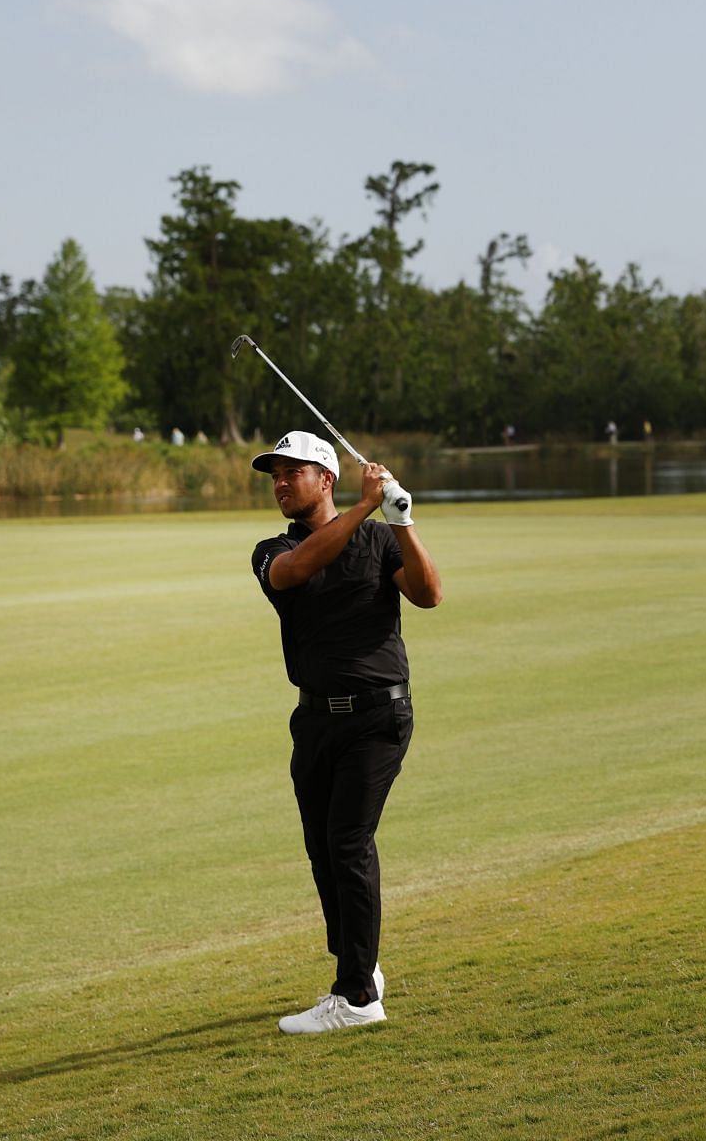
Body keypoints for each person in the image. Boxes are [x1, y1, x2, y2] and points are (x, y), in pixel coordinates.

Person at [249, 430, 442, 1034]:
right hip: (313, 721)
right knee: (324, 852)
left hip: (378, 716)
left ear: (325, 477)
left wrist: (401, 519)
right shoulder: (271, 548)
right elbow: (298, 570)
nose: (280, 483)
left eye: (292, 472)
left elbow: (430, 594)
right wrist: (364, 507)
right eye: (274, 475)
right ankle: (361, 966)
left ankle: (357, 997)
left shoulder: (380, 539)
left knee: (349, 843)